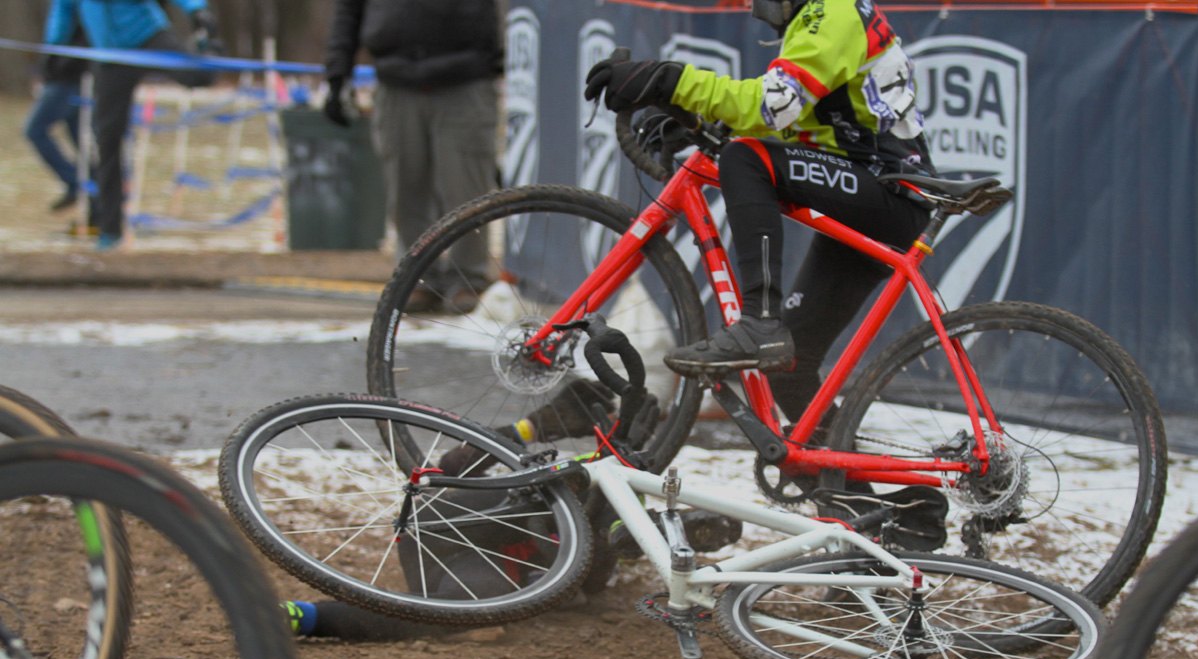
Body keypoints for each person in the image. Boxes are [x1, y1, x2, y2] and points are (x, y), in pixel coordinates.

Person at [583, 0, 935, 425]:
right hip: (873, 189)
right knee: (788, 370)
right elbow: (795, 119)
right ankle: (854, 487)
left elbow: (769, 106)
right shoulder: (825, 13)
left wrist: (668, 80)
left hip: (887, 191)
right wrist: (696, 121)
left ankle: (759, 321)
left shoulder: (833, 10)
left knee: (746, 158)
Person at [323, 0, 503, 314]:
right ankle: (419, 279)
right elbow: (348, 10)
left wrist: (497, 58)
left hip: (465, 76)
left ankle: (469, 280)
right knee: (405, 189)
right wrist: (338, 73)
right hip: (395, 78)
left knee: (466, 186)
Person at [44, 0, 219, 251]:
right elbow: (62, 9)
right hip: (109, 54)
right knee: (107, 140)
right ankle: (110, 230)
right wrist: (53, 47)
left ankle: (210, 49)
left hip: (147, 35)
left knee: (197, 77)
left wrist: (195, 9)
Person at [24, 24, 89, 213]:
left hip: (68, 80)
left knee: (35, 130)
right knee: (83, 142)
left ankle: (75, 183)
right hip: (60, 78)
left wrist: (58, 70)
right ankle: (97, 209)